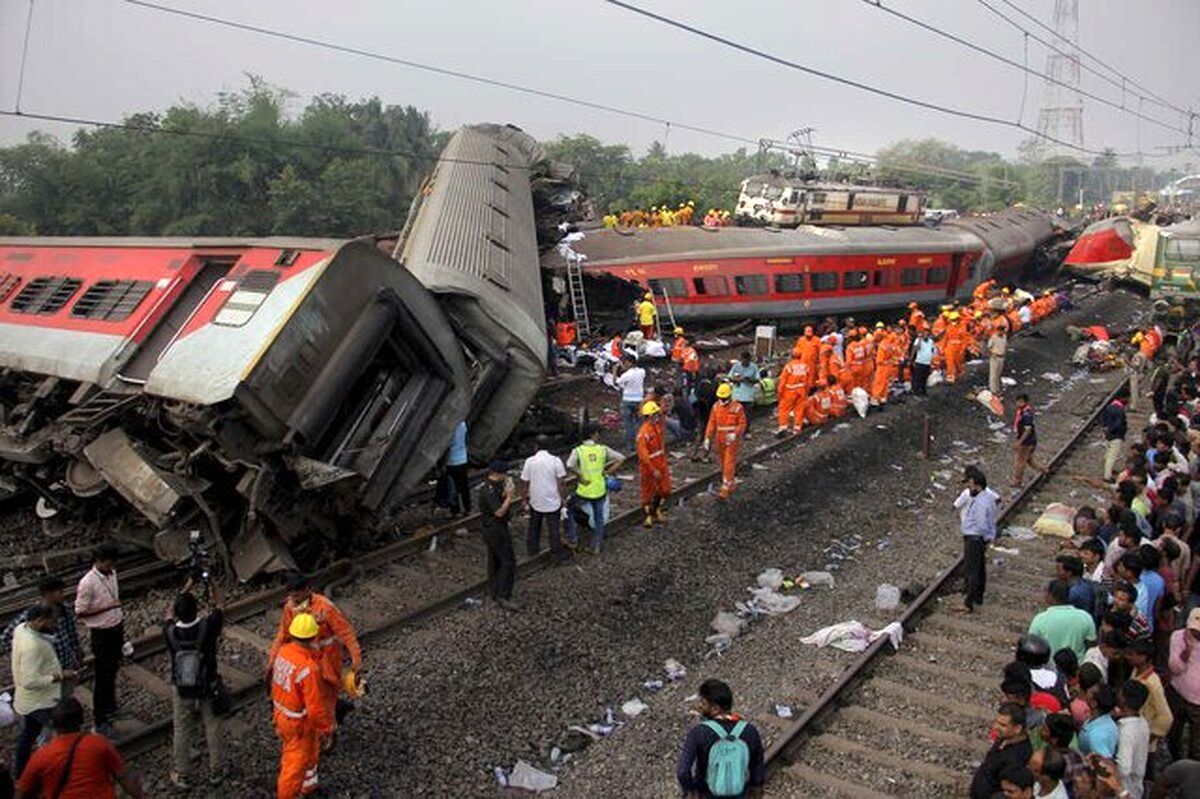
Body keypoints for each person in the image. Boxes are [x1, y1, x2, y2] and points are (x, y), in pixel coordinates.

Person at [268, 573, 363, 739]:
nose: (293, 599)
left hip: (327, 661)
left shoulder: (325, 608)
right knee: (310, 699)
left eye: (296, 595)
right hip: (305, 661)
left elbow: (346, 633)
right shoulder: (290, 607)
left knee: (326, 699)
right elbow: (283, 634)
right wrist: (272, 659)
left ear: (307, 590)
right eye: (291, 595)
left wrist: (356, 660)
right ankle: (322, 728)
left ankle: (329, 733)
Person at [15, 698, 144, 799]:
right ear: (81, 720)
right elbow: (124, 778)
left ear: (54, 724)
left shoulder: (42, 756)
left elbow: (22, 792)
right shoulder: (99, 743)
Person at [163, 580, 226, 789]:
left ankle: (183, 774)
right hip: (207, 683)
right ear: (197, 609)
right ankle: (217, 770)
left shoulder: (169, 631)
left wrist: (186, 585)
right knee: (213, 725)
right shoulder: (208, 625)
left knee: (181, 729)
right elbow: (220, 604)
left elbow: (169, 612)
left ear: (177, 613)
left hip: (182, 685)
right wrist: (212, 583)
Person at [270, 613, 333, 799]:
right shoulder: (308, 669)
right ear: (313, 637)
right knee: (293, 766)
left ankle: (308, 788)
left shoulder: (283, 652)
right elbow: (316, 708)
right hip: (298, 723)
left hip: (283, 714)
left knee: (310, 751)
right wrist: (327, 727)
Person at [674, 679, 765, 798]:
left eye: (703, 703)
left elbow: (682, 771)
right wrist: (756, 787)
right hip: (738, 792)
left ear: (715, 708)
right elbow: (757, 765)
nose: (700, 706)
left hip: (707, 793)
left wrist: (690, 790)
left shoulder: (699, 732)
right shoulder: (749, 730)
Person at [11, 606, 73, 779]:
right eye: (52, 621)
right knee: (62, 735)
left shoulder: (20, 629)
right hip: (41, 702)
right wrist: (59, 676)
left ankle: (20, 773)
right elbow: (29, 681)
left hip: (26, 701)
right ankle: (59, 771)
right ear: (39, 621)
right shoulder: (34, 646)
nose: (56, 625)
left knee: (27, 736)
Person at [73, 544, 124, 737]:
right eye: (109, 563)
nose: (112, 566)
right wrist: (108, 607)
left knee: (112, 670)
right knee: (102, 676)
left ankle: (111, 708)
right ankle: (100, 719)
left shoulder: (112, 572)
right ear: (99, 562)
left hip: (116, 627)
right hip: (101, 633)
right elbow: (80, 611)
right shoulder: (88, 583)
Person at [0, 576, 82, 685]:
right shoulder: (32, 616)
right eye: (60, 592)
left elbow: (72, 635)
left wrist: (77, 652)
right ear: (47, 594)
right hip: (47, 672)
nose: (63, 595)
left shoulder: (65, 610)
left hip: (67, 664)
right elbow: (6, 639)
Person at [565, 428, 625, 555]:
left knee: (568, 509)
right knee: (599, 519)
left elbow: (569, 465)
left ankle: (573, 539)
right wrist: (608, 472)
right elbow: (621, 458)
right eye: (597, 433)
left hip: (584, 491)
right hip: (599, 490)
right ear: (593, 435)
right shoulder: (603, 449)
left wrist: (580, 476)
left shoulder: (578, 451)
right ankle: (596, 546)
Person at [954, 465, 999, 613]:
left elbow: (981, 524)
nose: (967, 486)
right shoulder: (988, 497)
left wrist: (985, 536)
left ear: (974, 483)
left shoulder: (980, 502)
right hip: (980, 539)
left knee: (972, 571)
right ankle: (978, 596)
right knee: (980, 568)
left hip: (974, 538)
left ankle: (968, 603)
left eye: (968, 483)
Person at [475, 461, 519, 610]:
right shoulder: (489, 490)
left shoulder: (491, 486)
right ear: (497, 474)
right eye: (504, 474)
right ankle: (503, 595)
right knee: (508, 561)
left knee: (494, 560)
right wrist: (509, 497)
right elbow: (499, 512)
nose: (506, 476)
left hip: (490, 529)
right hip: (496, 529)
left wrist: (506, 492)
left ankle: (494, 590)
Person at [971, 701, 1033, 799]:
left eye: (1003, 725)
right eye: (996, 722)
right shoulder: (1006, 737)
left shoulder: (1017, 757)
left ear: (1017, 728)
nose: (996, 727)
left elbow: (1007, 788)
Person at [520, 437, 567, 560]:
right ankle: (555, 554)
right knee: (554, 529)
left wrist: (524, 499)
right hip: (553, 501)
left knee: (534, 527)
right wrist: (563, 499)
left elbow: (525, 482)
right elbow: (561, 483)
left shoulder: (530, 461)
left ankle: (533, 551)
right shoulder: (556, 461)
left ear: (536, 446)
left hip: (535, 500)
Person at [1028, 579, 1097, 661]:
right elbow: (1091, 645)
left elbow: (1031, 646)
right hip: (1076, 668)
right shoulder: (1085, 617)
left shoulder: (1040, 619)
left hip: (1049, 667)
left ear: (1050, 596)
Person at [1167, 608, 1200, 760]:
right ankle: (1175, 760)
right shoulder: (1179, 637)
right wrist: (1185, 655)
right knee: (1173, 733)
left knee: (1196, 742)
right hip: (1177, 693)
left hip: (1197, 702)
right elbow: (1175, 668)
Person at [704, 383, 747, 501]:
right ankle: (730, 482)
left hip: (731, 439)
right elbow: (711, 423)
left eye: (724, 398)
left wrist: (736, 434)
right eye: (720, 398)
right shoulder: (716, 407)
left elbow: (742, 423)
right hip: (719, 438)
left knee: (729, 462)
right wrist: (707, 437)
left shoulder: (737, 407)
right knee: (723, 462)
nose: (722, 400)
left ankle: (725, 488)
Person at [1127, 639, 1174, 743]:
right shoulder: (1135, 671)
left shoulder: (1153, 683)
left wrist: (1153, 734)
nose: (1128, 657)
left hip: (1145, 733)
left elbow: (1166, 716)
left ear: (1143, 657)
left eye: (1132, 655)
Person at [636, 401, 671, 528]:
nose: (657, 416)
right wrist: (652, 469)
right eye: (654, 414)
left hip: (660, 461)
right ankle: (648, 516)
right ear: (649, 416)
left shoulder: (656, 426)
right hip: (649, 465)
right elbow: (643, 454)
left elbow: (663, 416)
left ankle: (656, 510)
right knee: (648, 492)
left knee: (665, 489)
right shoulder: (644, 433)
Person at [1115, 680, 1152, 799]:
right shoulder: (1143, 723)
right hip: (1136, 787)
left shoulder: (1127, 732)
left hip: (1125, 790)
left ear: (1123, 699)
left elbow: (1124, 768)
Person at [1012, 394, 1048, 491]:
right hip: (1028, 440)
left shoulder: (1026, 414)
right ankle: (1044, 470)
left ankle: (1017, 482)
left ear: (1025, 402)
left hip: (1027, 442)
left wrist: (1019, 442)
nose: (1018, 403)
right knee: (1029, 461)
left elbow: (1027, 430)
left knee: (1020, 462)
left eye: (1020, 401)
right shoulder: (1022, 412)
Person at [615, 355, 646, 452]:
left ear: (629, 363)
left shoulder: (626, 375)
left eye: (625, 362)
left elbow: (616, 382)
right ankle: (638, 442)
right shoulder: (642, 372)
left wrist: (615, 371)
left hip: (627, 400)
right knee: (639, 423)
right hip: (639, 400)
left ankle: (630, 446)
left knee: (628, 424)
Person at [1080, 683, 1121, 757]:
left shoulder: (1098, 735)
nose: (1087, 691)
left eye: (1090, 692)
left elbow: (1103, 764)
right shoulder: (1097, 720)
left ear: (1094, 703)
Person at [727, 352, 759, 438]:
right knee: (734, 414)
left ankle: (746, 431)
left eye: (746, 360)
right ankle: (735, 430)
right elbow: (730, 377)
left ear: (749, 359)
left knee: (747, 415)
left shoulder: (754, 367)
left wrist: (749, 379)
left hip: (748, 395)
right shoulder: (736, 366)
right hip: (737, 395)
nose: (744, 362)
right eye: (743, 360)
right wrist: (736, 379)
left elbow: (757, 379)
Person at [443, 420, 470, 515]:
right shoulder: (463, 424)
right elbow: (466, 440)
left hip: (451, 462)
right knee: (464, 486)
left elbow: (446, 446)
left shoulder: (448, 427)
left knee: (452, 487)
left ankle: (455, 510)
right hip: (463, 459)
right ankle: (467, 508)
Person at [1102, 397, 1129, 482]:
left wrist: (1106, 429)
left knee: (1108, 453)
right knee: (1112, 456)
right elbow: (1119, 423)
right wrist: (1111, 429)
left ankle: (1108, 470)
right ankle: (1107, 476)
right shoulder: (1120, 411)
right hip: (1116, 435)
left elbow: (1103, 420)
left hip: (1108, 435)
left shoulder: (1108, 407)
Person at [910, 328, 936, 396]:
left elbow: (932, 349)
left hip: (927, 362)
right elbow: (916, 349)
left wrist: (932, 357)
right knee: (918, 378)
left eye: (927, 334)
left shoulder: (931, 341)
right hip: (920, 362)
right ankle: (916, 392)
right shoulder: (918, 340)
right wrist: (911, 359)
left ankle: (923, 391)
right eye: (925, 334)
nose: (926, 335)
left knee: (925, 378)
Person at [989, 322, 1008, 395]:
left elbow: (1005, 346)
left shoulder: (1004, 337)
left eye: (1002, 330)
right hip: (995, 357)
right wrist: (993, 354)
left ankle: (997, 389)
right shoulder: (993, 337)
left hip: (1002, 357)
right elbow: (989, 347)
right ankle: (993, 391)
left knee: (998, 374)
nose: (1001, 331)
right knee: (993, 375)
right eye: (1000, 330)